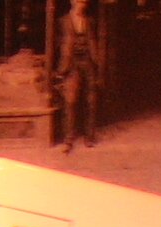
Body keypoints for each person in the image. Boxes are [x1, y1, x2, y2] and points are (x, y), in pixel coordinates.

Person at [53, 0, 99, 150]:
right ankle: (68, 139)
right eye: (80, 2)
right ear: (72, 2)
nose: (83, 5)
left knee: (90, 100)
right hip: (70, 63)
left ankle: (89, 137)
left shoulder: (90, 21)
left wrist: (97, 60)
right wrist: (59, 65)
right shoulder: (62, 21)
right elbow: (56, 43)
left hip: (88, 62)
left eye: (84, 2)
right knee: (70, 100)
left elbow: (93, 41)